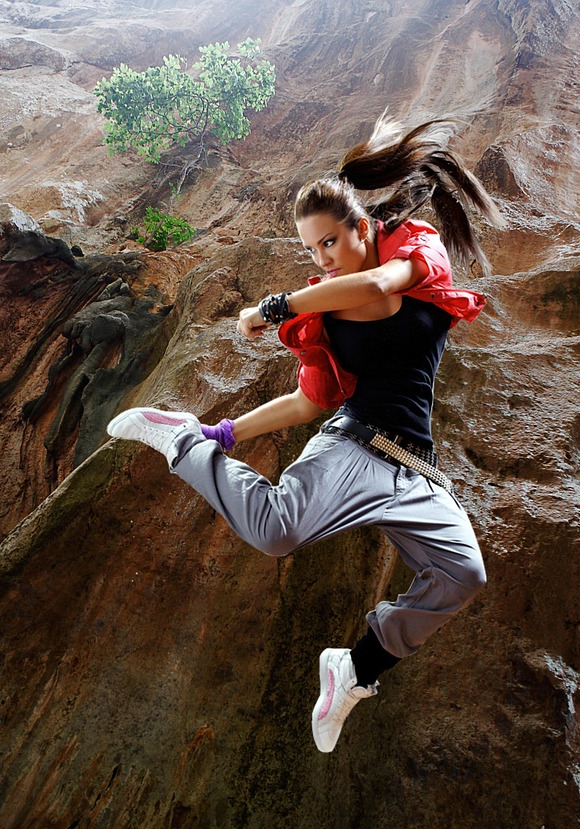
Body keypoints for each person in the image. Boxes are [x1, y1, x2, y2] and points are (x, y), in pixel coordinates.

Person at [107, 114, 503, 753]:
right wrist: (223, 431)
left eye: (328, 243)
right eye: (310, 252)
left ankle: (354, 671)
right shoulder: (323, 311)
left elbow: (377, 286)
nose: (320, 261)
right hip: (356, 446)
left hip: (414, 468)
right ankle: (184, 442)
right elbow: (309, 399)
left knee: (463, 574)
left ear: (362, 225)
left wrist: (276, 305)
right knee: (274, 531)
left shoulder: (416, 251)